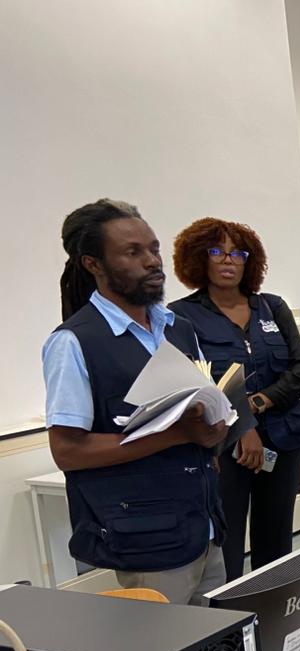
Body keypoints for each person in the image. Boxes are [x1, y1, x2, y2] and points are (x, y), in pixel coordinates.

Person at [42, 199, 228, 604]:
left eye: (154, 248)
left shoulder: (178, 328)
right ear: (93, 264)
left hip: (205, 526)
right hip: (147, 538)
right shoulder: (73, 342)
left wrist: (214, 429)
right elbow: (68, 451)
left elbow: (199, 410)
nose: (152, 261)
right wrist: (177, 435)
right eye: (133, 252)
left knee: (220, 638)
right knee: (166, 642)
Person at [170, 217, 300, 581]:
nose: (228, 260)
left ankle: (272, 609)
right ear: (199, 258)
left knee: (277, 543)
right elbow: (193, 385)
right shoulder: (182, 316)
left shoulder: (272, 307)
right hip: (224, 447)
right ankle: (232, 615)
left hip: (284, 440)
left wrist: (257, 402)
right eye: (217, 252)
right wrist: (243, 426)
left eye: (238, 253)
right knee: (228, 544)